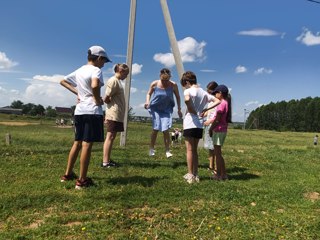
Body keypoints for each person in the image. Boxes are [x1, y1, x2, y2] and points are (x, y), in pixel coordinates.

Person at [60, 45, 111, 189]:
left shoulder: (80, 70)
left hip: (80, 110)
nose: (104, 64)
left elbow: (63, 81)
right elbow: (95, 86)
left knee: (77, 142)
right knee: (87, 144)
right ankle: (82, 181)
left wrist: (78, 93)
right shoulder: (96, 70)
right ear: (99, 58)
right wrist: (96, 99)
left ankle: (67, 174)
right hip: (92, 110)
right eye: (104, 61)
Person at [180, 71, 221, 183]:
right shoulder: (203, 92)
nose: (185, 86)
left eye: (184, 84)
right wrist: (206, 109)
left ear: (187, 82)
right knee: (195, 150)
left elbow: (187, 99)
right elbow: (217, 101)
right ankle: (196, 174)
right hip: (199, 124)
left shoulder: (188, 91)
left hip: (190, 122)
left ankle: (190, 175)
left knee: (189, 150)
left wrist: (190, 107)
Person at [144, 68, 183, 158]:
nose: (165, 82)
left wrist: (179, 109)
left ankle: (167, 150)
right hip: (155, 108)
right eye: (163, 80)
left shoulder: (173, 85)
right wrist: (147, 102)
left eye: (167, 80)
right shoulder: (154, 83)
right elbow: (148, 94)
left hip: (166, 109)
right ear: (160, 77)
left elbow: (178, 97)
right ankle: (151, 149)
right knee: (156, 129)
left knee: (166, 130)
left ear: (169, 77)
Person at [102, 63, 130, 168]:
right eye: (126, 74)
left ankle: (107, 159)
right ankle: (105, 162)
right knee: (110, 136)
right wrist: (111, 106)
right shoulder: (113, 80)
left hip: (117, 114)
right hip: (113, 114)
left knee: (112, 136)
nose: (126, 76)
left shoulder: (117, 81)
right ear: (121, 71)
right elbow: (106, 98)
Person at [209, 84, 232, 181]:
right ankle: (224, 174)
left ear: (220, 93)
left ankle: (218, 175)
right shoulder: (226, 103)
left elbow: (217, 120)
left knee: (217, 153)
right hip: (222, 130)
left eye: (216, 93)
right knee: (218, 153)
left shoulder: (221, 104)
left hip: (218, 130)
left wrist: (211, 129)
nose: (214, 95)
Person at [203, 81, 218, 174]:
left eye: (209, 91)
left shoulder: (218, 101)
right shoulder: (210, 101)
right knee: (210, 147)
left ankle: (216, 168)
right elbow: (209, 112)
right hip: (208, 125)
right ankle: (211, 166)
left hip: (214, 126)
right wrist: (204, 114)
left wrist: (210, 121)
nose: (208, 92)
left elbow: (217, 115)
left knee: (215, 148)